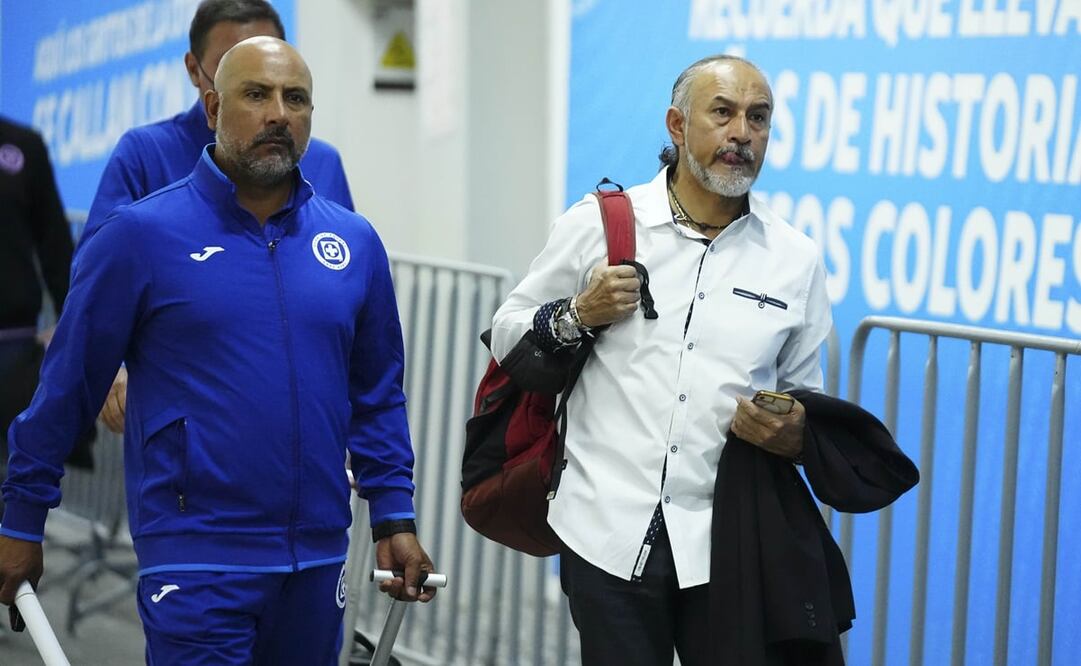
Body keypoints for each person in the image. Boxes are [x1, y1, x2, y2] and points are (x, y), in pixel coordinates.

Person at [0, 37, 434, 664]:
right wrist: (21, 517)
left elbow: (375, 394)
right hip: (194, 553)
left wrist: (394, 516)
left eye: (296, 98)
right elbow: (69, 386)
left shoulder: (353, 243)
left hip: (317, 558)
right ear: (211, 107)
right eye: (255, 95)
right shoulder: (140, 236)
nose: (278, 113)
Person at [490, 54, 833, 665]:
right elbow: (510, 334)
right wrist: (580, 312)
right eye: (722, 113)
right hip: (605, 526)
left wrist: (793, 432)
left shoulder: (795, 259)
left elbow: (803, 396)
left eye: (758, 119)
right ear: (677, 126)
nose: (742, 134)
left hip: (724, 541)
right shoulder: (603, 223)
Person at [84, 0, 355, 436]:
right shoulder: (145, 153)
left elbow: (350, 295)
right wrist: (111, 367)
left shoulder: (321, 163)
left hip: (298, 426)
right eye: (233, 70)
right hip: (184, 423)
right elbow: (95, 283)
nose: (262, 87)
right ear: (196, 73)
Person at [0, 116, 93, 505]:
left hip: (11, 349)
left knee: (9, 490)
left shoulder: (23, 145)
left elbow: (56, 247)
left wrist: (71, 326)